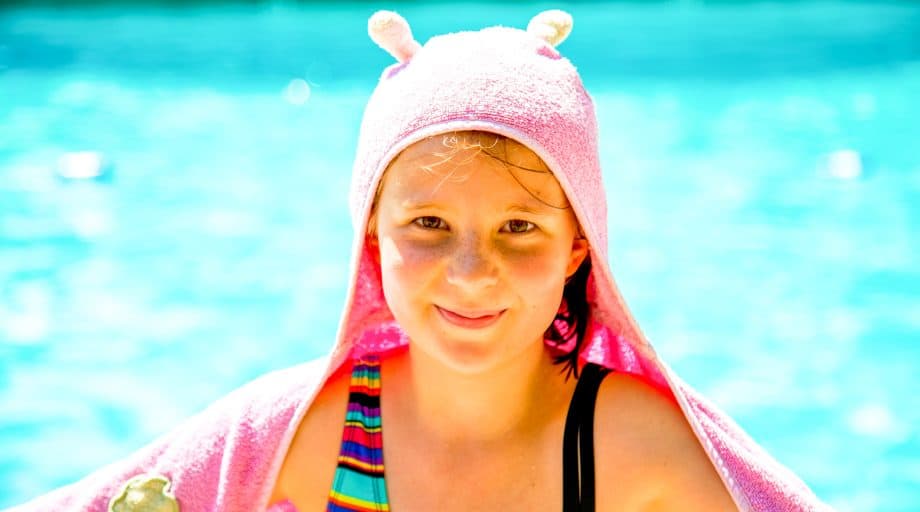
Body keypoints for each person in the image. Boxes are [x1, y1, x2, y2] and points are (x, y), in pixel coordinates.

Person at [8, 9, 830, 512]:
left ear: (579, 248)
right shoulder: (309, 429)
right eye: (429, 223)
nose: (471, 271)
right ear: (371, 236)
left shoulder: (630, 447)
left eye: (519, 229)